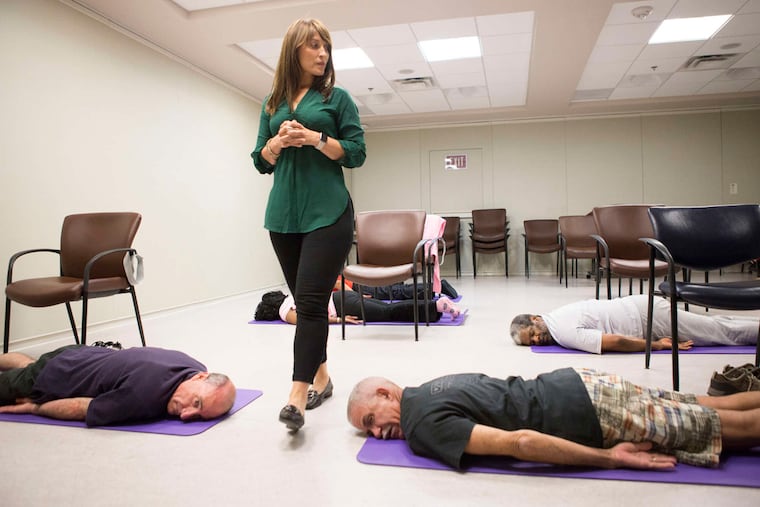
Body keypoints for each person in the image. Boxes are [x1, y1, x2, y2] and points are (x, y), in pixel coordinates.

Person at [251, 18, 366, 431]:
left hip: (329, 214)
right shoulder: (270, 104)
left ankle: (297, 397)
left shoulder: (337, 98)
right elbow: (259, 161)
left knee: (311, 304)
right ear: (294, 50)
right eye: (314, 45)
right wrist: (277, 143)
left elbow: (355, 153)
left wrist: (315, 138)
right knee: (307, 300)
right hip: (283, 217)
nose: (322, 54)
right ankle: (322, 377)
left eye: (326, 47)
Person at [347, 368, 760, 471]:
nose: (377, 434)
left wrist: (611, 458)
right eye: (367, 430)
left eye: (370, 419)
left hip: (592, 414)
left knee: (726, 430)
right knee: (703, 403)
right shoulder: (432, 385)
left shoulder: (420, 427)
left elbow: (520, 443)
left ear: (386, 393)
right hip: (580, 382)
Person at [0, 345, 236, 426]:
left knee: (29, 366)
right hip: (52, 376)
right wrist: (36, 408)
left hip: (80, 352)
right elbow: (82, 407)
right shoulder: (143, 399)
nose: (186, 414)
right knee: (22, 379)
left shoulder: (192, 365)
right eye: (196, 403)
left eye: (197, 416)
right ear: (199, 378)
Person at [510, 294, 758, 354]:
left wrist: (658, 345)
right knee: (716, 326)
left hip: (647, 317)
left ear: (535, 318)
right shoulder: (557, 315)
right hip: (641, 311)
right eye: (529, 342)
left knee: (719, 333)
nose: (535, 341)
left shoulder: (561, 331)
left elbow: (614, 341)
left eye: (531, 333)